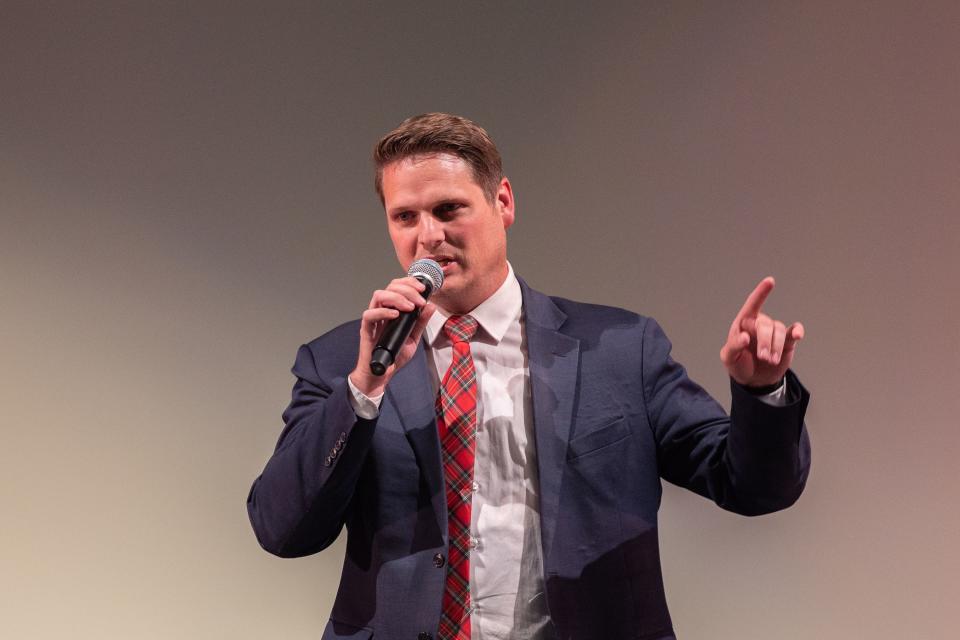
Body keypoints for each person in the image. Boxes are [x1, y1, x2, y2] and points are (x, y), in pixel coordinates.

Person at [247, 113, 811, 640]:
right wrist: (363, 391)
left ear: (503, 201)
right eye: (405, 217)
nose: (427, 236)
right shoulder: (343, 360)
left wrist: (762, 392)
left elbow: (753, 486)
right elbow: (283, 530)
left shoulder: (617, 350)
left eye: (448, 210)